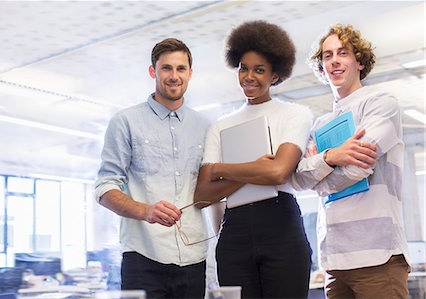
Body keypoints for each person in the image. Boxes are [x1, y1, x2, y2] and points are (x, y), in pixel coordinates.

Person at [194, 20, 313, 298]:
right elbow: (202, 196)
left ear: (275, 75)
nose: (249, 76)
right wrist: (256, 167)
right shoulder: (220, 126)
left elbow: (278, 173)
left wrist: (222, 169)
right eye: (243, 68)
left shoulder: (294, 115)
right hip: (233, 232)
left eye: (260, 70)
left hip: (281, 227)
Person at [292, 24, 410, 299]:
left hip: (378, 256)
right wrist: (332, 156)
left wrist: (320, 175)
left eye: (342, 52)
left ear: (359, 60)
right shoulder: (319, 125)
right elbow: (298, 178)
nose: (334, 60)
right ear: (321, 68)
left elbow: (358, 166)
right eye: (327, 55)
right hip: (335, 262)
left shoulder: (381, 104)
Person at [94, 38, 211, 298]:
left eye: (181, 69)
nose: (174, 76)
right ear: (153, 72)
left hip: (194, 258)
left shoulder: (205, 126)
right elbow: (104, 187)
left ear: (190, 73)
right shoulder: (125, 121)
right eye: (166, 68)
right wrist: (146, 211)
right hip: (143, 257)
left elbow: (212, 188)